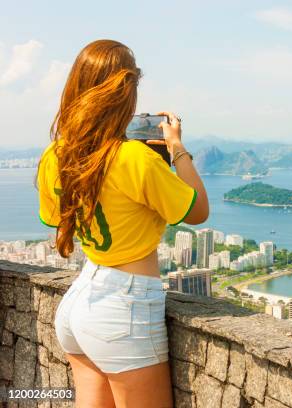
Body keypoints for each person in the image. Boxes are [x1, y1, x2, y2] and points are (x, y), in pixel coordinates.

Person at [36, 39, 209, 408]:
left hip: (80, 301)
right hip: (123, 309)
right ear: (126, 93)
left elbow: (54, 218)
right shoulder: (134, 158)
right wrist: (176, 148)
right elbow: (197, 210)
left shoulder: (54, 155)